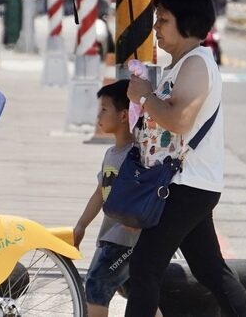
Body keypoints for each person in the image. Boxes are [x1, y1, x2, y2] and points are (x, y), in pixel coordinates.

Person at [124, 0, 246, 317]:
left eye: (163, 19)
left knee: (144, 268)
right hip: (186, 183)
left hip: (186, 185)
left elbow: (180, 120)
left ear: (187, 22)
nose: (155, 28)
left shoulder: (197, 63)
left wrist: (144, 96)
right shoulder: (181, 64)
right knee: (210, 270)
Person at [74, 80, 162, 317]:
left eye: (104, 109)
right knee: (138, 292)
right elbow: (100, 192)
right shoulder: (111, 154)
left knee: (95, 285)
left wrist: (137, 225)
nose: (98, 115)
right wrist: (81, 225)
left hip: (125, 241)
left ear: (124, 115)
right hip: (112, 238)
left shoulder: (137, 157)